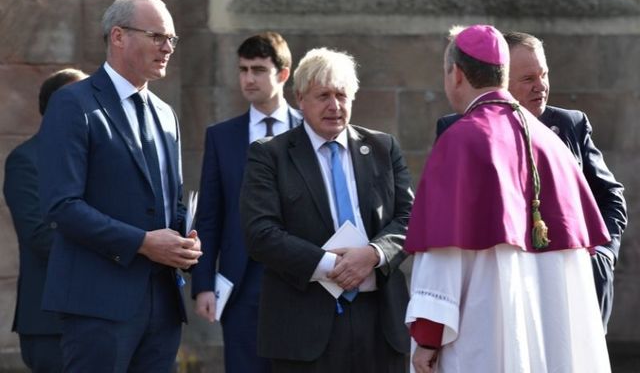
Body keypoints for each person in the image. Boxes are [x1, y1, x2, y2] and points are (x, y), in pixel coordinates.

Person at [405, 25, 612, 372]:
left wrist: (428, 336)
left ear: (456, 75)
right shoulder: (551, 143)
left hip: (484, 332)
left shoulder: (461, 140)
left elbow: (443, 255)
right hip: (551, 331)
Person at [37, 0, 202, 372]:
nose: (168, 48)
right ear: (118, 36)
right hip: (98, 305)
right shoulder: (73, 104)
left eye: (172, 39)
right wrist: (142, 243)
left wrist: (184, 241)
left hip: (162, 305)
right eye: (157, 36)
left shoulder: (166, 115)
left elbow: (170, 203)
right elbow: (61, 206)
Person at [436, 31, 627, 331]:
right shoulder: (458, 130)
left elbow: (610, 196)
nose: (541, 86)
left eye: (544, 74)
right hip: (500, 292)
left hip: (572, 288)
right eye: (528, 79)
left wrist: (603, 254)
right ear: (502, 80)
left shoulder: (570, 125)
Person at [240, 47, 413, 372]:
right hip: (303, 324)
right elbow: (260, 234)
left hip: (379, 322)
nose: (334, 106)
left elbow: (410, 219)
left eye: (342, 95)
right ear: (300, 98)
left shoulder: (382, 148)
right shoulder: (269, 156)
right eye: (323, 96)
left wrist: (373, 254)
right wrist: (334, 266)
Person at [191, 31, 302, 373]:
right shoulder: (221, 137)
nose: (248, 79)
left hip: (300, 278)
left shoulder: (309, 128)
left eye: (258, 70)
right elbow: (209, 214)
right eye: (243, 70)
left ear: (282, 74)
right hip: (241, 283)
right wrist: (203, 284)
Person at [4, 68, 87, 373]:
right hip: (51, 323)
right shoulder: (26, 160)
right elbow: (41, 236)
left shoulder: (99, 157)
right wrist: (117, 247)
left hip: (101, 319)